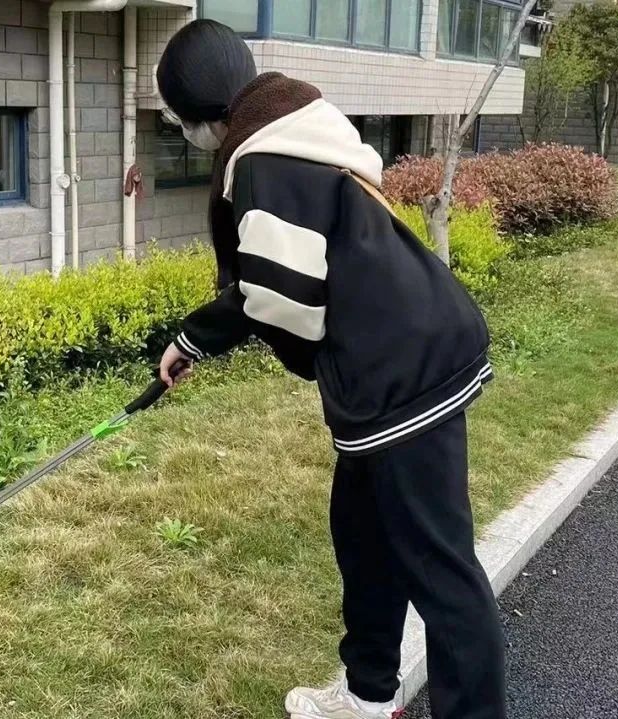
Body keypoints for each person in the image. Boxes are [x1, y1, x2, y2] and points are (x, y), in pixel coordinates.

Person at [154, 19, 506, 719]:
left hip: (401, 378)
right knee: (364, 534)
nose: (185, 134)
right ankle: (369, 695)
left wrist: (199, 338)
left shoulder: (265, 160)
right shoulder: (294, 133)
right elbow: (274, 282)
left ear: (197, 113)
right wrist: (197, 340)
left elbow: (279, 296)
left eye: (179, 121)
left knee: (442, 572)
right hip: (399, 364)